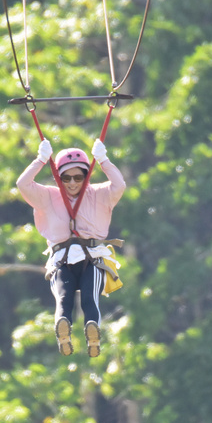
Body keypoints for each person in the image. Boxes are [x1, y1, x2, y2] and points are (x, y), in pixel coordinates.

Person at [16, 138, 126, 357]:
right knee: (63, 297)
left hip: (92, 258)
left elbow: (119, 185)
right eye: (66, 178)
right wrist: (39, 160)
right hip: (62, 259)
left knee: (89, 297)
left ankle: (93, 331)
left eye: (78, 177)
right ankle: (63, 330)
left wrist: (104, 161)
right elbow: (22, 184)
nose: (72, 183)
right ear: (58, 178)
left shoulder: (100, 194)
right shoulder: (48, 196)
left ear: (87, 177)